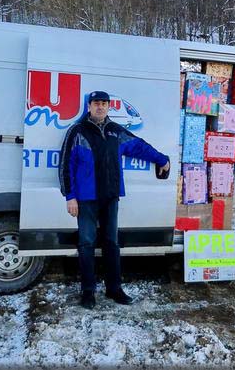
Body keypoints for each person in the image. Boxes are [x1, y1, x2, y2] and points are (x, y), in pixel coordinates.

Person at [58, 90, 170, 309]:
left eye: (104, 103)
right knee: (86, 244)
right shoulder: (77, 131)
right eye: (96, 103)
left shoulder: (116, 132)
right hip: (86, 199)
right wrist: (70, 196)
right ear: (89, 106)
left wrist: (162, 160)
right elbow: (65, 165)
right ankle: (88, 292)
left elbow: (139, 146)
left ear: (109, 107)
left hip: (110, 197)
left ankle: (114, 289)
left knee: (112, 243)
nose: (100, 107)